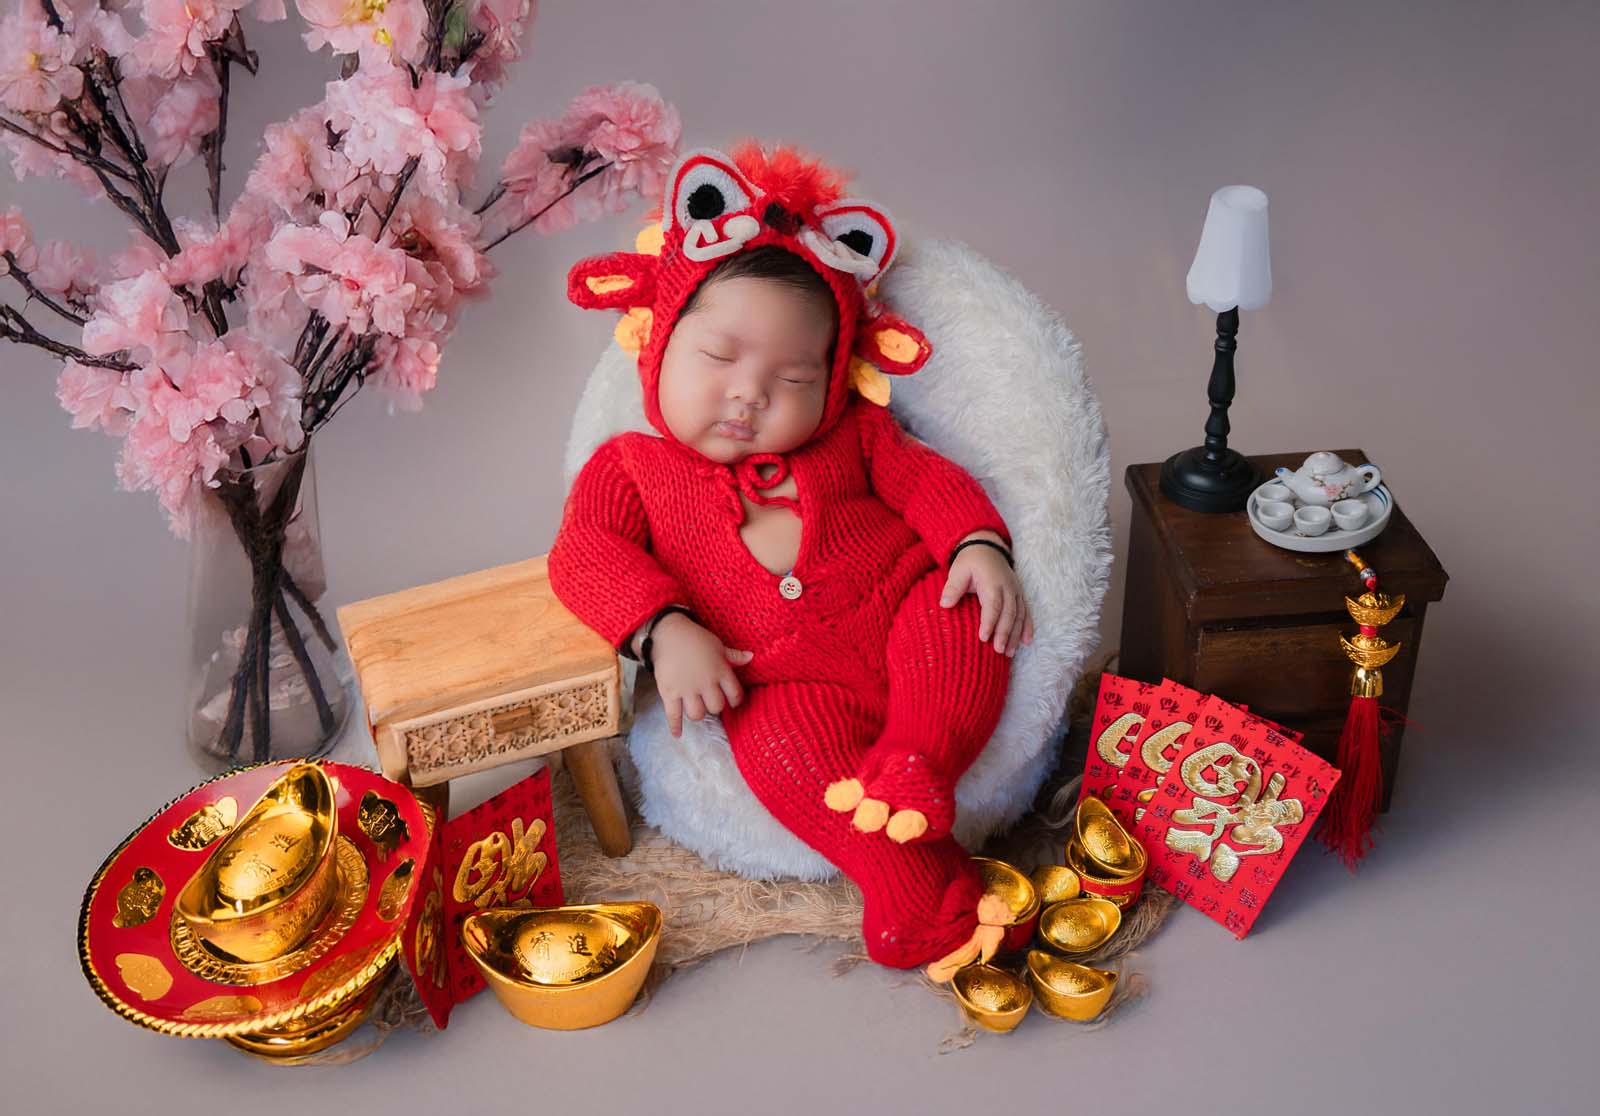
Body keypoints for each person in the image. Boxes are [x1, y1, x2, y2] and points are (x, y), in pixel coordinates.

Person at [549, 141, 1034, 979]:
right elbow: (584, 554)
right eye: (719, 357)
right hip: (780, 680)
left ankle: (920, 760)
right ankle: (910, 881)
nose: (750, 392)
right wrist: (664, 630)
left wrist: (978, 545)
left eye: (795, 377)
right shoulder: (632, 468)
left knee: (965, 617)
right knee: (781, 754)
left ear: (835, 381)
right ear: (658, 346)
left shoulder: (857, 435)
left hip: (903, 608)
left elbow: (930, 482)